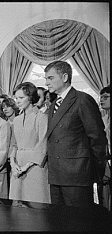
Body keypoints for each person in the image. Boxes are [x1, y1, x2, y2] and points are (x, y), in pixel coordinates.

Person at [45, 60, 107, 208]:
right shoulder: (54, 104)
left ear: (65, 77)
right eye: (46, 78)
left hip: (77, 175)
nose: (46, 83)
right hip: (56, 175)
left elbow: (97, 138)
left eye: (50, 78)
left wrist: (97, 172)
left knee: (78, 223)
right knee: (59, 222)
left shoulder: (82, 100)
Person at [9, 82, 50, 206]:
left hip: (35, 167)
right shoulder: (16, 120)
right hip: (17, 166)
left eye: (21, 98)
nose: (17, 101)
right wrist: (12, 163)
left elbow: (43, 144)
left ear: (31, 97)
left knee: (35, 204)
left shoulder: (41, 117)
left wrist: (26, 166)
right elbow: (13, 144)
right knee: (17, 207)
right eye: (16, 98)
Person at [98, 85, 111, 211]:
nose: (102, 100)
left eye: (106, 97)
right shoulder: (103, 118)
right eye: (101, 97)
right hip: (105, 161)